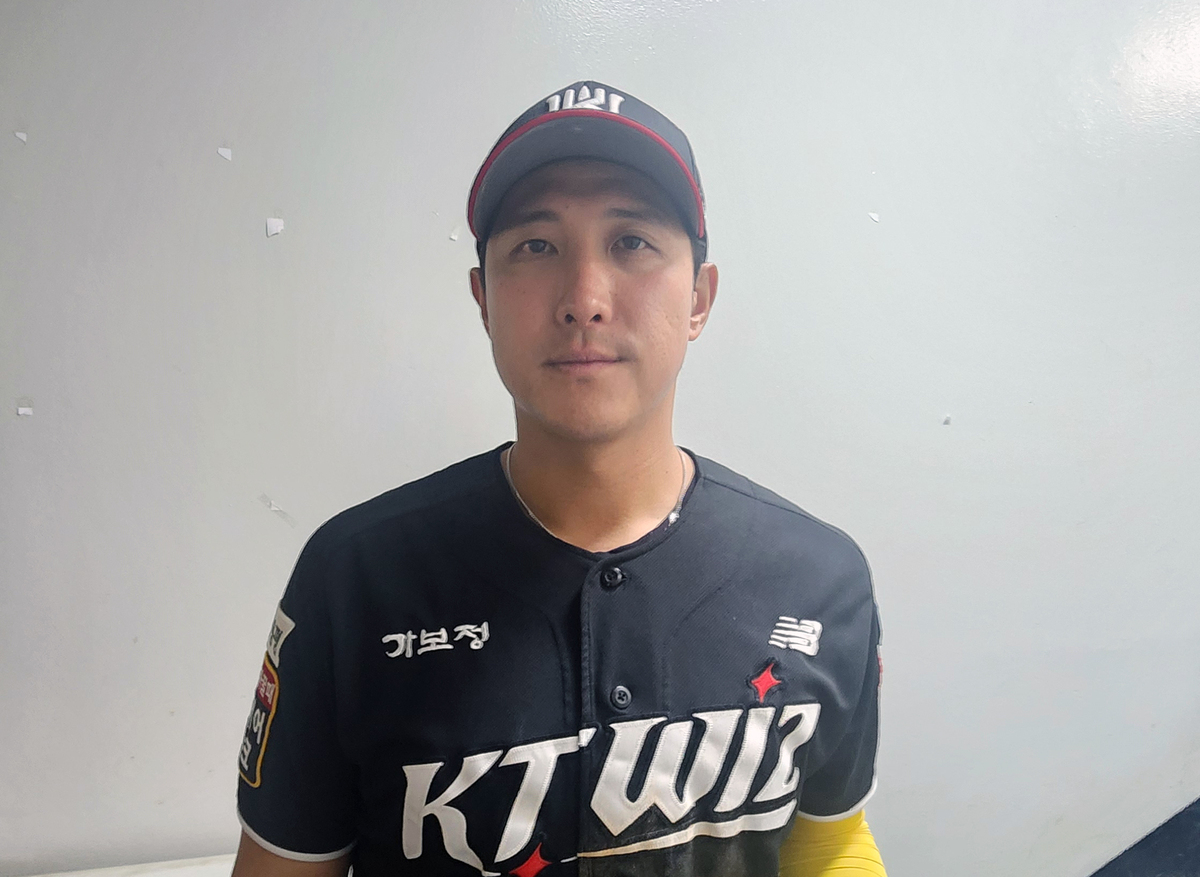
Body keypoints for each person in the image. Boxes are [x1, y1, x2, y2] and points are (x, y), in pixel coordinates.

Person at [231, 81, 887, 877]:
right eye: (536, 247)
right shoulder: (354, 581)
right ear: (482, 299)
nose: (584, 300)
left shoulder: (821, 579)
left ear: (699, 298)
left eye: (632, 241)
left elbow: (831, 841)